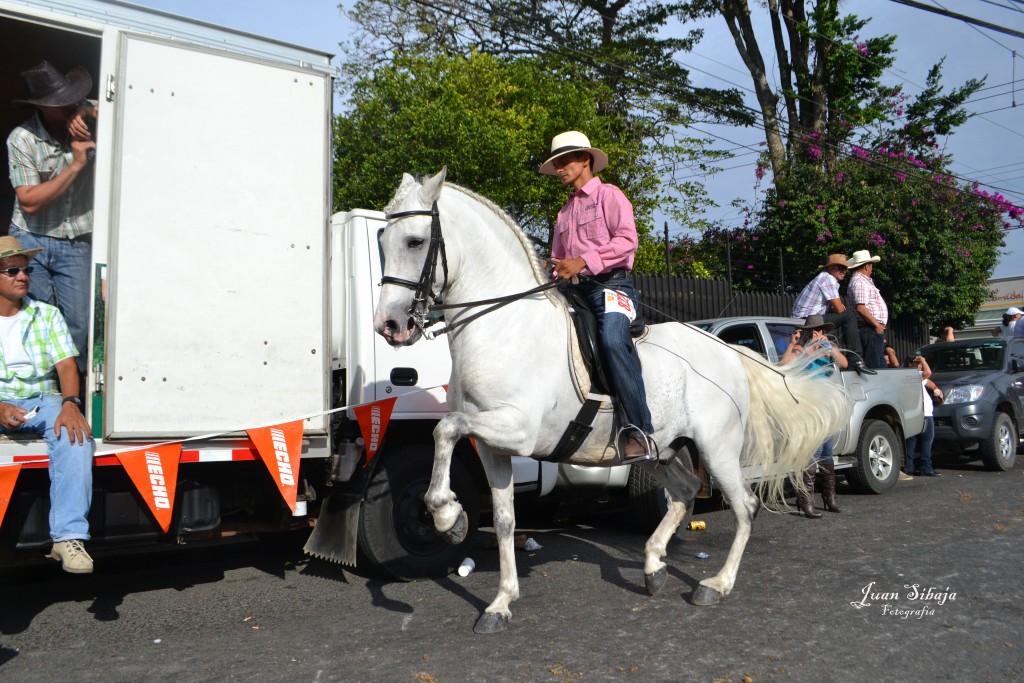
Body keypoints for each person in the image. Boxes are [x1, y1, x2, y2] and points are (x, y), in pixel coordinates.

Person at [540, 131, 654, 461]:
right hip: (574, 290)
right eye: (556, 163)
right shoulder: (562, 214)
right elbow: (558, 261)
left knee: (611, 340)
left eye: (564, 161)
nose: (559, 168)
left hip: (613, 286)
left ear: (585, 160)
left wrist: (584, 261)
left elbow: (627, 242)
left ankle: (638, 430)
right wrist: (555, 272)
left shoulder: (610, 195)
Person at [0, 236, 94, 572]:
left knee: (76, 435)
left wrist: (71, 403)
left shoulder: (46, 314)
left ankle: (69, 538)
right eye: (13, 270)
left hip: (43, 399)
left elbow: (66, 365)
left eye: (26, 270)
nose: (23, 276)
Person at [7, 61, 97, 375]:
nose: (69, 105)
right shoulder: (22, 139)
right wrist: (76, 165)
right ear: (44, 107)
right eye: (63, 104)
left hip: (75, 240)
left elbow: (120, 105)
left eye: (73, 99)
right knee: (36, 315)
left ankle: (75, 396)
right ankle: (41, 390)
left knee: (79, 322)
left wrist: (83, 112)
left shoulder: (83, 115)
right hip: (32, 237)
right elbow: (29, 203)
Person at [779, 315, 847, 518]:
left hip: (825, 406)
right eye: (816, 331)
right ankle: (805, 499)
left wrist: (828, 346)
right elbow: (783, 364)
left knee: (827, 452)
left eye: (822, 331)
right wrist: (796, 344)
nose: (819, 334)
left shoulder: (826, 351)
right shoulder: (802, 350)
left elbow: (843, 363)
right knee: (812, 452)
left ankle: (829, 497)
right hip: (810, 407)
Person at [791, 253, 874, 374]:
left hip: (809, 319)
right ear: (829, 268)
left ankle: (837, 362)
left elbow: (837, 307)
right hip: (807, 320)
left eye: (845, 268)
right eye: (839, 267)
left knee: (836, 325)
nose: (843, 271)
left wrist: (837, 307)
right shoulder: (827, 279)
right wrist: (838, 308)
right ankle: (856, 360)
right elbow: (840, 309)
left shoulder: (824, 278)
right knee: (848, 316)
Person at [847, 249, 889, 370]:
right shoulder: (860, 282)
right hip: (869, 328)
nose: (872, 268)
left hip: (871, 328)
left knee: (879, 365)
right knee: (874, 365)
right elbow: (860, 307)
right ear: (866, 266)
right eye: (871, 265)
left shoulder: (862, 281)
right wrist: (877, 325)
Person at [904, 355, 942, 477]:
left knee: (912, 440)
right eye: (917, 362)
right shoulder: (912, 375)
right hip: (923, 413)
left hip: (913, 413)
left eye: (920, 363)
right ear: (910, 364)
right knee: (927, 439)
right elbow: (928, 373)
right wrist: (924, 360)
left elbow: (928, 381)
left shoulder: (908, 376)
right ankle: (926, 467)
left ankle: (909, 467)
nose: (920, 365)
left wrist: (936, 388)